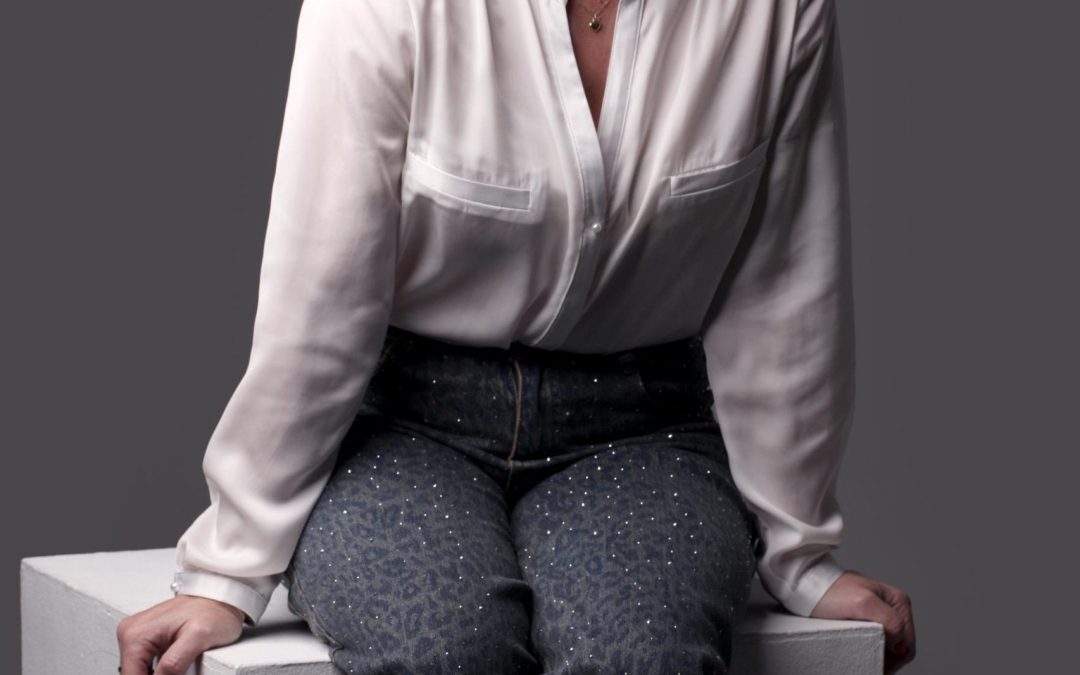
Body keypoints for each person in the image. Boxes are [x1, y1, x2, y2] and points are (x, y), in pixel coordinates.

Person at [116, 0, 917, 673]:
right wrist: (228, 572)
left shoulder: (775, 12)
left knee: (643, 656)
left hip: (641, 426)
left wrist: (800, 555)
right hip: (405, 425)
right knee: (442, 652)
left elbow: (785, 288)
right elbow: (323, 293)